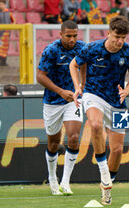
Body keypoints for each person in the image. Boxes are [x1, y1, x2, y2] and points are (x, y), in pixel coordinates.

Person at [69, 16, 129, 205]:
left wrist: (127, 90)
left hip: (118, 103)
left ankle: (106, 186)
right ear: (108, 33)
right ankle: (103, 171)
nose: (120, 41)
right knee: (94, 124)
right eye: (117, 36)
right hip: (94, 95)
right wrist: (78, 87)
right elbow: (73, 65)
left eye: (123, 38)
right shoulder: (92, 48)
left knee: (117, 150)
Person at [37, 20, 86, 195]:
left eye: (75, 36)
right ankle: (52, 178)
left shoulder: (82, 48)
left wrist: (82, 86)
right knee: (53, 144)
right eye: (68, 36)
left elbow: (85, 65)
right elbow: (40, 77)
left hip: (73, 100)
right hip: (52, 102)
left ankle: (66, 182)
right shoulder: (51, 50)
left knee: (73, 137)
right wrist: (59, 91)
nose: (72, 39)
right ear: (60, 34)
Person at [0, 0, 15, 67]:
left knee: (5, 48)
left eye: (2, 4)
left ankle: (4, 62)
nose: (1, 6)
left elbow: (13, 21)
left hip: (7, 34)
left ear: (5, 5)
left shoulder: (9, 13)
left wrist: (11, 28)